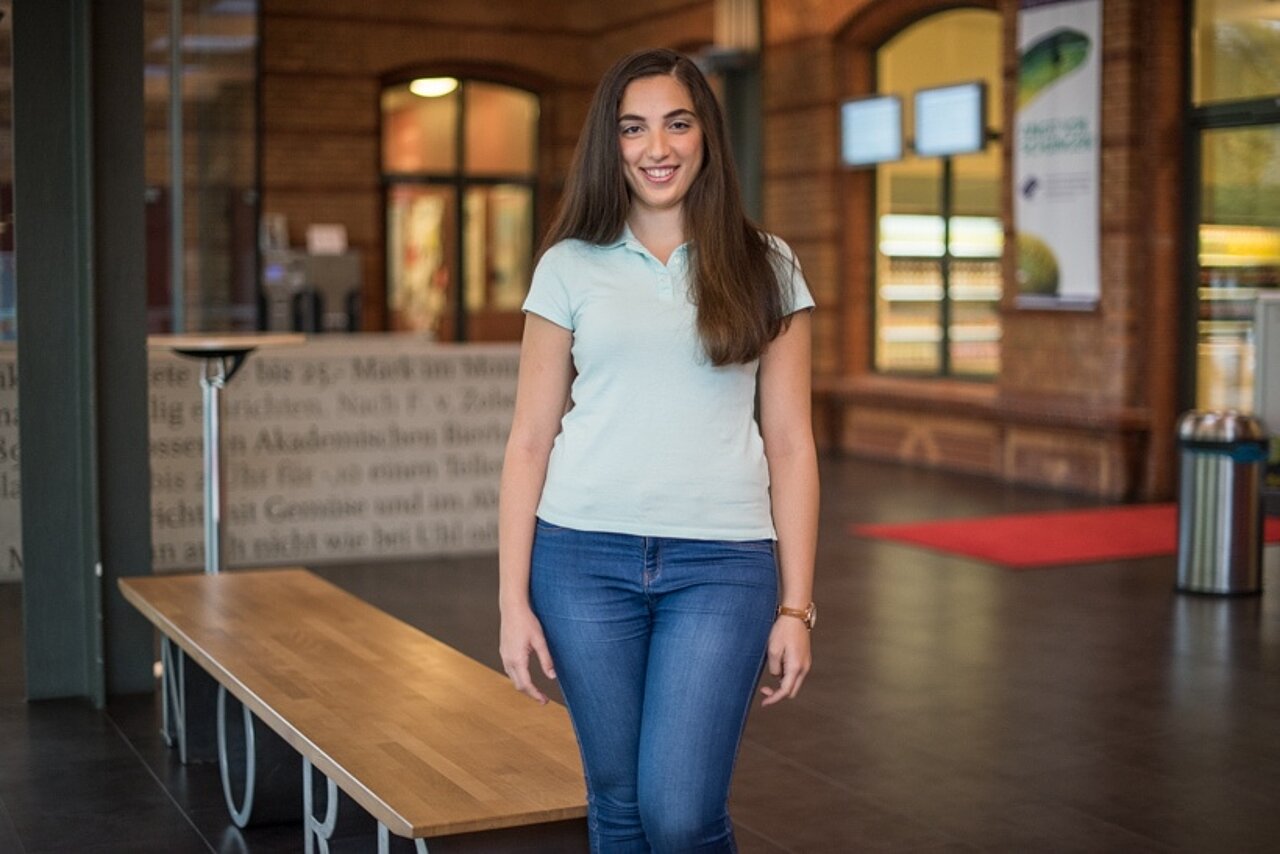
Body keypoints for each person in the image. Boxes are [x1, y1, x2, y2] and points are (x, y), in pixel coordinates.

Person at [498, 47, 819, 854]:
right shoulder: (568, 266)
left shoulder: (767, 265)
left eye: (677, 123)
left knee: (680, 815)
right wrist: (512, 603)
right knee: (616, 804)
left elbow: (791, 443)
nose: (657, 147)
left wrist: (797, 606)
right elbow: (529, 440)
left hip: (723, 565)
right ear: (612, 145)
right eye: (633, 128)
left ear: (707, 133)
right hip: (580, 559)